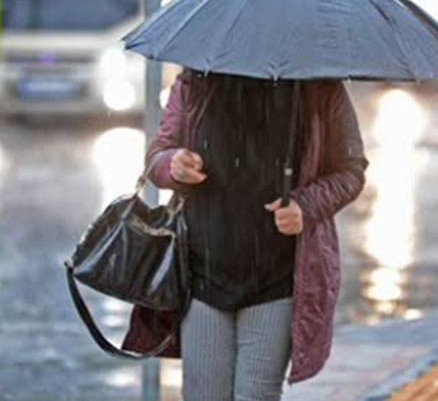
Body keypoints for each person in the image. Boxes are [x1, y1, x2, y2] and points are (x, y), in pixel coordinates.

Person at [121, 68, 369, 400]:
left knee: (256, 395)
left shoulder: (318, 86)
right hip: (203, 273)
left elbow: (350, 169)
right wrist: (173, 165)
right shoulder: (197, 78)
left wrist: (305, 206)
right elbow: (158, 156)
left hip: (276, 277)